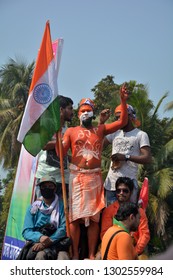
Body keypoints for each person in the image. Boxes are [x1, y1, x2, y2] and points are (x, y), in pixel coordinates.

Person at [57, 85, 129, 259]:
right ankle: (74, 254)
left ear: (93, 113)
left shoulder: (100, 130)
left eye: (89, 110)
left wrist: (123, 101)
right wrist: (58, 131)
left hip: (95, 177)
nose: (86, 112)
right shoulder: (71, 131)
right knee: (74, 218)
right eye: (83, 110)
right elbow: (61, 153)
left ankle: (90, 254)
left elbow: (122, 122)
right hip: (77, 176)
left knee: (94, 219)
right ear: (78, 113)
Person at [100, 103, 151, 206]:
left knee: (127, 218)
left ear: (129, 116)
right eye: (117, 118)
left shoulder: (140, 135)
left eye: (122, 117)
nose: (120, 120)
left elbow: (147, 158)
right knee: (110, 217)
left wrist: (126, 157)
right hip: (111, 185)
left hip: (128, 187)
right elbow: (97, 147)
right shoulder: (114, 133)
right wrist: (101, 123)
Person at [19, 175, 70, 260]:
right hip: (37, 243)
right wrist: (40, 237)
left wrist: (47, 242)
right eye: (44, 186)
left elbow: (63, 228)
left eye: (50, 186)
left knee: (63, 257)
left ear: (54, 189)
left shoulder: (62, 206)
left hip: (57, 242)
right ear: (40, 189)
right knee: (40, 256)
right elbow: (26, 231)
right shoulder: (33, 208)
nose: (47, 188)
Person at [100, 176, 150, 259]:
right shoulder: (109, 211)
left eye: (125, 191)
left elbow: (145, 234)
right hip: (114, 243)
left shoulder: (139, 211)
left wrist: (135, 251)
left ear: (130, 193)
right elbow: (104, 234)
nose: (121, 193)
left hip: (135, 247)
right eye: (118, 190)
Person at [34, 95, 73, 199]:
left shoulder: (67, 129)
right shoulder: (47, 124)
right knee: (43, 211)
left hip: (63, 177)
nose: (72, 112)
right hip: (46, 176)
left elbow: (61, 151)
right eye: (70, 108)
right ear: (61, 109)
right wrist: (62, 140)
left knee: (61, 212)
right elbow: (44, 145)